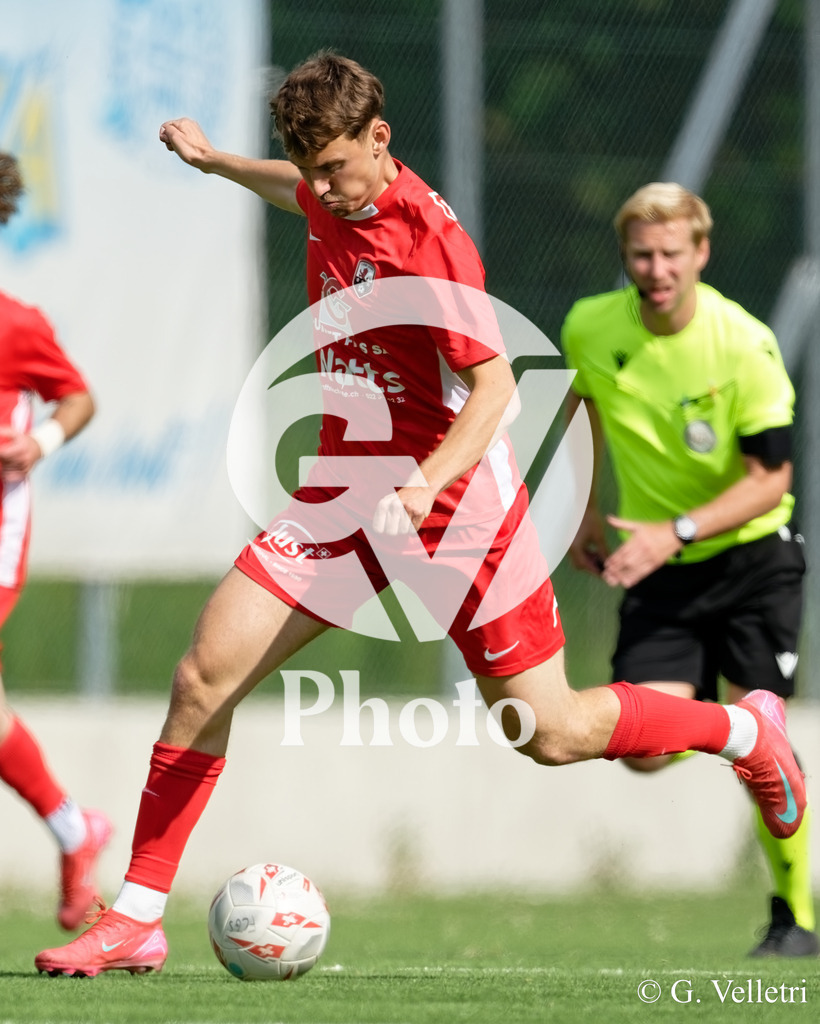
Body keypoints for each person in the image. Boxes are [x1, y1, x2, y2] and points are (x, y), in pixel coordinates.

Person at [35, 54, 807, 978]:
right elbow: (297, 188)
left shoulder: (432, 245)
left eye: (338, 170)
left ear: (381, 139)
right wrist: (219, 164)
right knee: (205, 673)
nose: (325, 190)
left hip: (460, 503)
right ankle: (138, 915)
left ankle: (745, 734)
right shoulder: (328, 186)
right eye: (312, 169)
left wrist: (427, 482)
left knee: (552, 732)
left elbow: (490, 391)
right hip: (343, 490)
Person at [561, 181, 817, 958]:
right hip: (659, 569)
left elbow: (772, 479)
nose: (656, 267)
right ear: (625, 256)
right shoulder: (589, 326)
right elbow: (585, 412)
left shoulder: (745, 344)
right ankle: (748, 733)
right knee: (643, 751)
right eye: (641, 253)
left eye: (671, 253)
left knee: (752, 752)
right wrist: (583, 511)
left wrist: (672, 531)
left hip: (752, 562)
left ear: (701, 252)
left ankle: (794, 918)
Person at [0, 152, 110, 929]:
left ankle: (77, 832)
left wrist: (38, 441)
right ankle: (77, 830)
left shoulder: (16, 324)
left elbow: (78, 398)